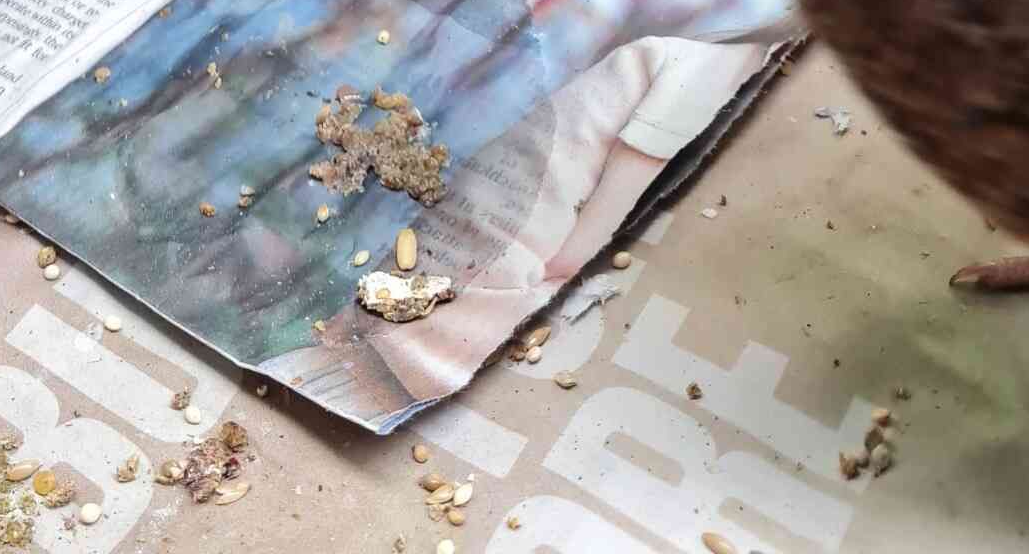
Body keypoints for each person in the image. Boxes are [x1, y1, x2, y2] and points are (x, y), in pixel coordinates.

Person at [265, 27, 788, 424]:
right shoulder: (714, 68)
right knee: (388, 367)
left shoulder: (680, 49)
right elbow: (607, 210)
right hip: (510, 241)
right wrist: (551, 278)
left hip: (475, 218)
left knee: (357, 345)